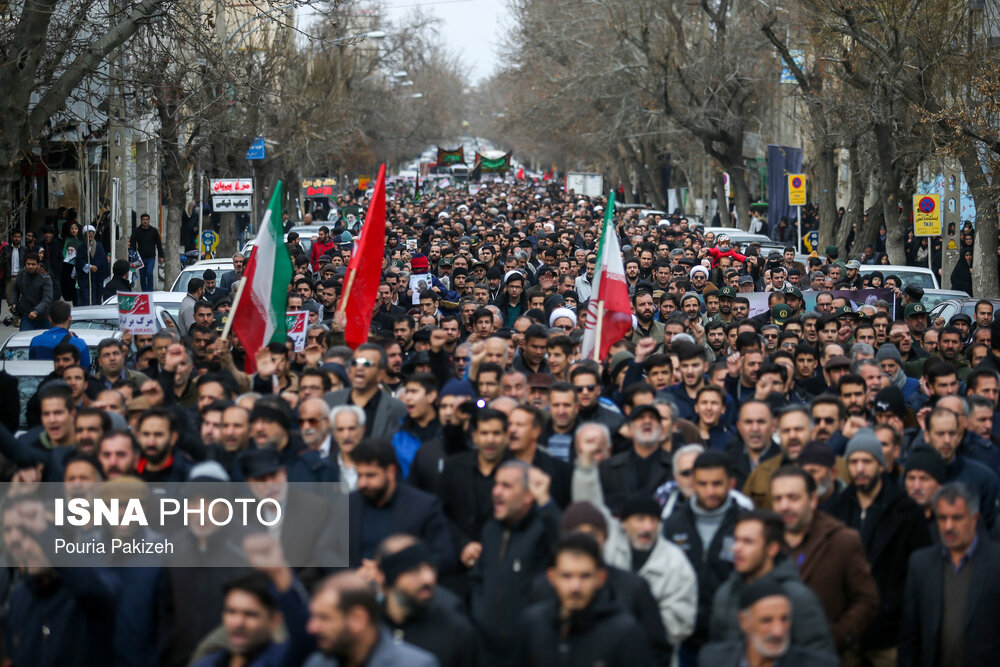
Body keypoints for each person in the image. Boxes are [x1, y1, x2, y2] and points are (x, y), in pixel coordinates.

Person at [826, 429, 931, 665]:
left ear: (880, 464)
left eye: (867, 461)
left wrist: (895, 610)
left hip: (890, 635)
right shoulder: (835, 510)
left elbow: (919, 573)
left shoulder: (906, 512)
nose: (860, 468)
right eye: (853, 462)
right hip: (847, 633)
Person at [769, 465, 879, 655]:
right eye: (778, 499)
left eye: (793, 498)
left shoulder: (841, 540)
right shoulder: (764, 542)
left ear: (812, 500)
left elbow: (867, 600)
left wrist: (835, 636)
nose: (784, 506)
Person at [469, 460, 560, 666]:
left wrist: (545, 500)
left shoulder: (542, 529)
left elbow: (567, 547)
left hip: (528, 651)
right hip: (486, 650)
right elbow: (477, 579)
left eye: (506, 486)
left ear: (528, 495)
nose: (497, 492)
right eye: (496, 484)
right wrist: (480, 616)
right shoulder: (490, 530)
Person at [899, 483, 1000, 666]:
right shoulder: (920, 564)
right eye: (942, 518)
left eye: (957, 518)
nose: (948, 526)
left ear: (974, 518)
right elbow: (910, 636)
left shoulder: (995, 563)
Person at [517, 533, 655, 666]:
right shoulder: (533, 625)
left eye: (585, 576)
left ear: (601, 578)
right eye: (567, 576)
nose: (575, 587)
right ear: (552, 578)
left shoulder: (626, 633)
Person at [709, 510, 834, 654]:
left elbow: (820, 657)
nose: (737, 548)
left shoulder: (798, 598)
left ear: (772, 549)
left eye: (747, 542)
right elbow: (717, 651)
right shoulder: (726, 593)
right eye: (736, 540)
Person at [661, 451, 743, 658]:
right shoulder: (673, 525)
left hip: (733, 639)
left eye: (717, 483)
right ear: (693, 483)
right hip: (685, 639)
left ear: (731, 483)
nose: (710, 491)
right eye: (703, 484)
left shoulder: (745, 525)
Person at [347, 438, 454, 571]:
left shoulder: (423, 507)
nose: (362, 483)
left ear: (391, 472)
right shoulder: (348, 505)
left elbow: (443, 556)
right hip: (354, 587)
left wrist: (388, 571)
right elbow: (328, 552)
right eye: (359, 476)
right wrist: (355, 574)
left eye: (370, 476)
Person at [374, 535, 478, 667]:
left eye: (430, 567)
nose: (428, 578)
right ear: (382, 576)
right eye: (413, 570)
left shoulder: (456, 631)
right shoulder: (368, 628)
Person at [303, 572, 438, 667]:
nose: (312, 627)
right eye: (313, 617)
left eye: (324, 618)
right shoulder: (317, 663)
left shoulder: (415, 665)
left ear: (358, 619)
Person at [698, 580, 839, 667]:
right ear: (744, 621)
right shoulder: (713, 660)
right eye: (766, 621)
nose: (778, 631)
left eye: (784, 619)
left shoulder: (818, 664)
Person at [28, 300, 90, 368]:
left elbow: (32, 368)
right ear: (70, 318)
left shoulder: (36, 341)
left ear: (50, 319)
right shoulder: (79, 344)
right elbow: (85, 371)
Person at [13, 252, 53, 330]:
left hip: (42, 316)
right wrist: (13, 303)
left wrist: (36, 311)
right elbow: (15, 289)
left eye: (33, 264)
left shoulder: (45, 278)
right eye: (28, 264)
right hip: (26, 314)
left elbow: (47, 299)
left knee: (44, 340)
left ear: (38, 264)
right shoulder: (21, 274)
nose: (30, 266)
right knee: (24, 338)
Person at [75, 224, 109, 305]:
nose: (90, 239)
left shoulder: (99, 246)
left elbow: (103, 260)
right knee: (87, 299)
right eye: (88, 237)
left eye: (91, 236)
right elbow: (79, 261)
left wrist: (97, 267)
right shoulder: (81, 248)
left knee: (97, 299)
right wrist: (89, 267)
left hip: (97, 279)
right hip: (86, 279)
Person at [130, 212, 165, 291]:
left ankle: (150, 291)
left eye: (146, 219)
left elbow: (159, 244)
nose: (145, 221)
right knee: (142, 276)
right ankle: (144, 292)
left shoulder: (154, 231)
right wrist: (133, 254)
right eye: (143, 219)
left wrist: (161, 256)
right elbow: (132, 242)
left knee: (149, 273)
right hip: (140, 258)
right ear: (141, 220)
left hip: (151, 257)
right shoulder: (137, 231)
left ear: (149, 220)